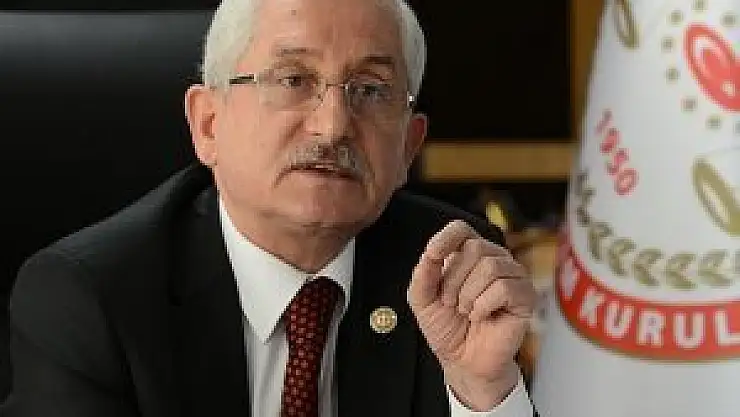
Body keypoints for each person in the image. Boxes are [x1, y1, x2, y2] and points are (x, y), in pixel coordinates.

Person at [1, 0, 539, 415]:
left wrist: (482, 391)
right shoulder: (92, 301)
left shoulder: (452, 276)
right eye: (293, 80)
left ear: (408, 148)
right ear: (208, 124)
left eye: (371, 90)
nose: (332, 126)